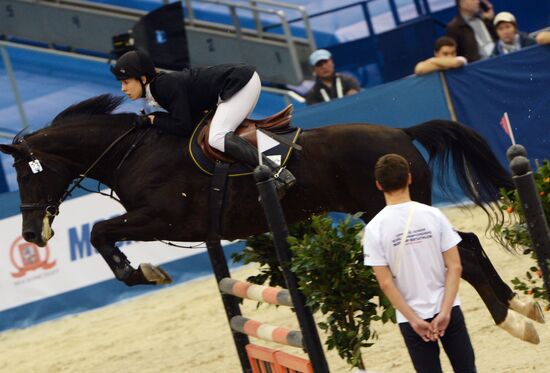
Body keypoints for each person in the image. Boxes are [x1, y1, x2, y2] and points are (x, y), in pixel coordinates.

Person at [111, 50, 295, 195]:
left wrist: (153, 120)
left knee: (217, 137)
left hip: (239, 83)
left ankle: (277, 172)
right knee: (219, 133)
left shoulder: (163, 86)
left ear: (143, 79)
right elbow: (188, 120)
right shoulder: (158, 88)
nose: (123, 88)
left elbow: (183, 126)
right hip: (237, 82)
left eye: (126, 82)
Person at [363, 154, 476, 373]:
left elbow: (385, 283)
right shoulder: (434, 215)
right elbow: (455, 267)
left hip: (410, 317)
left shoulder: (374, 229)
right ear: (409, 178)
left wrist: (414, 320)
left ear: (378, 185)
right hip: (447, 308)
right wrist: (444, 312)